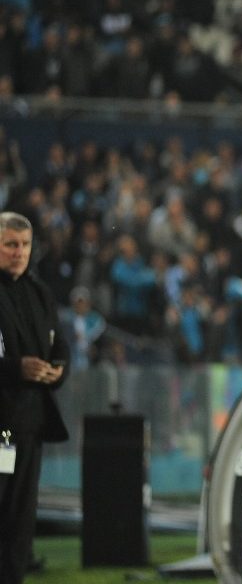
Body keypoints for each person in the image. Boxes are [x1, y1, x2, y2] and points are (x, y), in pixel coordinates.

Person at [0, 212, 69, 584]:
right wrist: (15, 369)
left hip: (31, 425)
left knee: (21, 514)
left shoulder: (40, 293)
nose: (19, 253)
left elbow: (61, 344)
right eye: (11, 244)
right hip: (2, 429)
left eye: (24, 245)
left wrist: (59, 368)